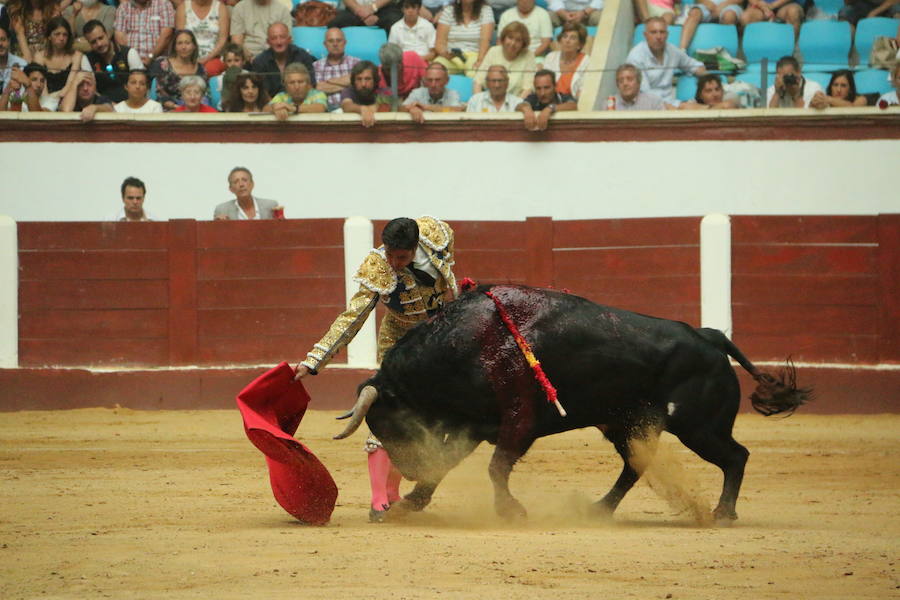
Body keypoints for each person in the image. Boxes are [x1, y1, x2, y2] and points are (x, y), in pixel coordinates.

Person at [293, 216, 458, 523]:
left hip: (438, 340)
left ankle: (394, 492)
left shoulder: (437, 234)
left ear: (415, 247)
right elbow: (351, 317)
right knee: (387, 415)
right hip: (399, 343)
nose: (394, 263)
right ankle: (378, 499)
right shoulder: (378, 267)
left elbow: (449, 269)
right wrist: (314, 360)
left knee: (432, 419)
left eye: (402, 257)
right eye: (390, 255)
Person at [625, 16, 706, 106]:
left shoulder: (672, 51)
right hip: (646, 106)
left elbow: (693, 65)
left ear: (667, 35)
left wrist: (709, 78)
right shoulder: (635, 57)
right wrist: (674, 108)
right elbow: (645, 94)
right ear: (645, 35)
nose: (659, 36)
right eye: (654, 32)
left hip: (671, 103)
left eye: (662, 32)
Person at [80, 20, 143, 103]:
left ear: (107, 35)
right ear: (89, 43)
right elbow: (90, 91)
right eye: (93, 42)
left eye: (100, 38)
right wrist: (108, 105)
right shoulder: (87, 59)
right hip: (103, 106)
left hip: (131, 104)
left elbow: (139, 85)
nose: (99, 44)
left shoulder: (129, 53)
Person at [251, 22, 317, 98]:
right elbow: (261, 92)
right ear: (268, 42)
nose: (279, 42)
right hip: (272, 106)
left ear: (289, 39)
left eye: (282, 37)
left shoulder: (303, 56)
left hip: (302, 103)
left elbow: (311, 85)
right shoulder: (260, 62)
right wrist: (275, 106)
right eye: (274, 38)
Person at [472, 21, 536, 97]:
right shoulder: (493, 51)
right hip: (490, 101)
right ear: (504, 38)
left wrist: (517, 105)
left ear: (523, 44)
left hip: (517, 103)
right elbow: (478, 81)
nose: (513, 43)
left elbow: (528, 88)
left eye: (518, 40)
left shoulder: (528, 55)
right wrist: (479, 102)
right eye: (510, 37)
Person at [433, 0, 495, 77]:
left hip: (475, 55)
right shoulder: (449, 10)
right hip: (451, 56)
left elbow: (485, 41)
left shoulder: (486, 10)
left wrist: (480, 61)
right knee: (434, 71)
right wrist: (445, 54)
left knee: (474, 73)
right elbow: (439, 42)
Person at [149, 29, 206, 110]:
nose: (183, 47)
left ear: (194, 46)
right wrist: (178, 108)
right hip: (167, 110)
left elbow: (203, 95)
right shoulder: (163, 64)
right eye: (180, 43)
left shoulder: (201, 69)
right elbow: (160, 94)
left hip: (194, 110)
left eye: (187, 43)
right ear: (175, 47)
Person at [466, 64, 538, 129]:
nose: (497, 85)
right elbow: (468, 127)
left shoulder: (517, 102)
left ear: (507, 82)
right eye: (493, 81)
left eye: (500, 81)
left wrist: (527, 109)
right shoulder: (475, 100)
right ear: (487, 82)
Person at [175, 0, 230, 77]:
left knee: (211, 69)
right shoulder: (183, 7)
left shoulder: (220, 8)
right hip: (187, 56)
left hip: (213, 56)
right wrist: (189, 59)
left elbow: (223, 39)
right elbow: (180, 38)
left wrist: (206, 59)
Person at [114, 0, 175, 67]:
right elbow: (119, 37)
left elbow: (166, 36)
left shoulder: (163, 4)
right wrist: (133, 59)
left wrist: (151, 56)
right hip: (130, 61)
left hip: (157, 60)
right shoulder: (123, 8)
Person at [313, 27, 360, 110]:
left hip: (352, 110)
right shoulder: (315, 66)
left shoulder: (356, 63)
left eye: (338, 40)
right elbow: (317, 88)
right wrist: (349, 85)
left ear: (345, 43)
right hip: (325, 111)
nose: (335, 44)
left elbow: (360, 85)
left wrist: (329, 82)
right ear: (325, 44)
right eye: (331, 41)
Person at [33, 16, 81, 95]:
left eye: (65, 35)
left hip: (67, 97)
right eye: (57, 34)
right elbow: (41, 87)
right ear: (49, 36)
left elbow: (70, 85)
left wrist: (56, 99)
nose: (61, 38)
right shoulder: (39, 56)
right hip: (44, 100)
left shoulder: (76, 55)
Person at [541, 21, 588, 98]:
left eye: (572, 38)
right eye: (565, 36)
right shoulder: (550, 57)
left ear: (580, 45)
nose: (567, 41)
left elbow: (584, 89)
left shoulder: (586, 61)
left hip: (574, 103)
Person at [214, 167, 280, 220]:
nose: (241, 184)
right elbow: (215, 234)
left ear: (252, 184)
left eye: (244, 180)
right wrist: (219, 226)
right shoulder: (222, 210)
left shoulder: (271, 206)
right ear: (231, 189)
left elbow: (280, 231)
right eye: (236, 182)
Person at [341, 60, 391, 127]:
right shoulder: (349, 91)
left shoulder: (384, 91)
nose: (363, 84)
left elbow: (384, 107)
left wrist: (370, 109)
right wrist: (362, 109)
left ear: (375, 80)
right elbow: (346, 106)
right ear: (354, 81)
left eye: (367, 79)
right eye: (359, 79)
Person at [678, 0, 742, 52]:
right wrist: (705, 2)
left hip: (729, 5)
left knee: (729, 16)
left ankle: (725, 54)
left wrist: (725, 4)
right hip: (706, 5)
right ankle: (682, 51)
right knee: (695, 13)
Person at [327, 0, 403, 33]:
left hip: (383, 8)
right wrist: (359, 11)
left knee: (397, 22)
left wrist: (372, 8)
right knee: (335, 23)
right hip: (355, 9)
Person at [208, 42, 245, 109]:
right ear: (224, 62)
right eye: (229, 61)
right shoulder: (215, 81)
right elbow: (216, 105)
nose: (233, 64)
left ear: (243, 61)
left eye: (236, 60)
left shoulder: (251, 77)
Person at [0, 24, 28, 92]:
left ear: (9, 41)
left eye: (3, 40)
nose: (0, 44)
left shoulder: (22, 64)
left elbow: (23, 94)